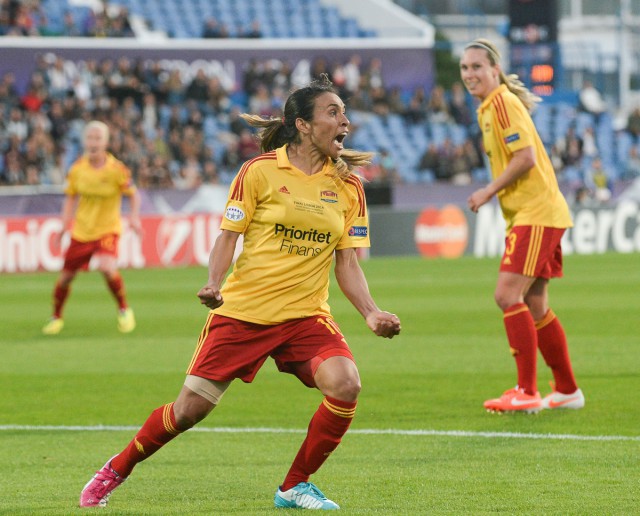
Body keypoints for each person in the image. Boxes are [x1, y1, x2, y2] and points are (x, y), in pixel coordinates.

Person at [78, 74, 401, 510]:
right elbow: (229, 236)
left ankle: (293, 487)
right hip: (243, 313)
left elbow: (347, 263)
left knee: (345, 384)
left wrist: (370, 312)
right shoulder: (259, 171)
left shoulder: (349, 187)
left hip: (305, 316)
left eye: (343, 112)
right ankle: (116, 468)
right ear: (302, 125)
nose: (345, 121)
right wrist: (213, 282)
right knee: (188, 412)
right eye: (333, 112)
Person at [461, 39, 584, 414]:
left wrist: (488, 190)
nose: (470, 75)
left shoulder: (500, 103)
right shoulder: (489, 107)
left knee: (506, 295)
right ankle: (566, 390)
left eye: (477, 67)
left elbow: (526, 158)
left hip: (536, 213)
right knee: (534, 303)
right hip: (533, 213)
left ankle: (526, 391)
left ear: (494, 70)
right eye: (464, 69)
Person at [42, 120, 141, 335]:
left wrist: (134, 218)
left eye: (98, 138)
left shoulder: (117, 170)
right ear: (85, 141)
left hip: (107, 229)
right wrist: (63, 225)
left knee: (106, 267)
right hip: (82, 231)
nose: (93, 142)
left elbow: (134, 195)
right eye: (90, 138)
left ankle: (124, 309)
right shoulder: (77, 169)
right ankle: (56, 317)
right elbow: (70, 198)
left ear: (106, 142)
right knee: (66, 277)